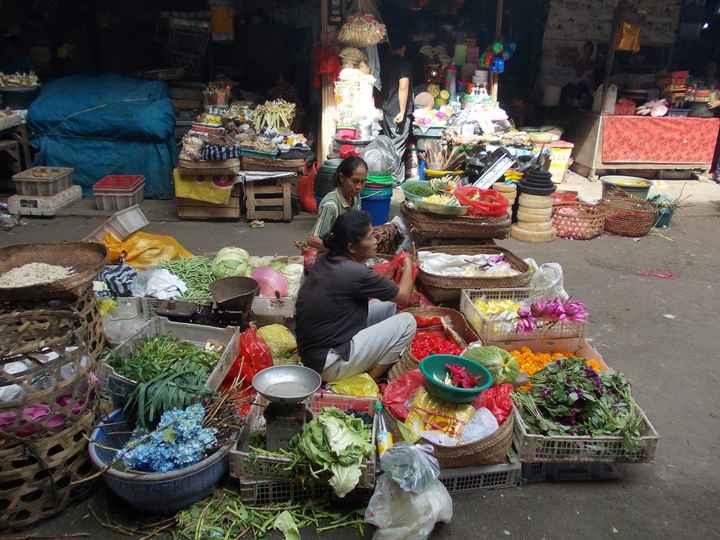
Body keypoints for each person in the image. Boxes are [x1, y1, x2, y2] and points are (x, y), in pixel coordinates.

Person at [296, 210, 417, 382]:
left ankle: (367, 360)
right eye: (369, 238)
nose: (375, 241)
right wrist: (408, 263)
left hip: (312, 354)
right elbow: (404, 297)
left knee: (388, 306)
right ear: (351, 247)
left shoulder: (326, 259)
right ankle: (371, 379)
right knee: (407, 322)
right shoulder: (355, 272)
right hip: (328, 364)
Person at [307, 156, 367, 250]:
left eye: (362, 182)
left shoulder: (355, 197)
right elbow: (313, 240)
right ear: (342, 178)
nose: (359, 187)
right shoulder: (331, 205)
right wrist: (340, 251)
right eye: (355, 181)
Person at [380, 31, 413, 179]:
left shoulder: (385, 63)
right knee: (396, 148)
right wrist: (402, 111)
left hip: (386, 109)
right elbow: (403, 86)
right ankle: (394, 181)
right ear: (404, 48)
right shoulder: (403, 64)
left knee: (389, 145)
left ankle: (390, 177)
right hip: (397, 112)